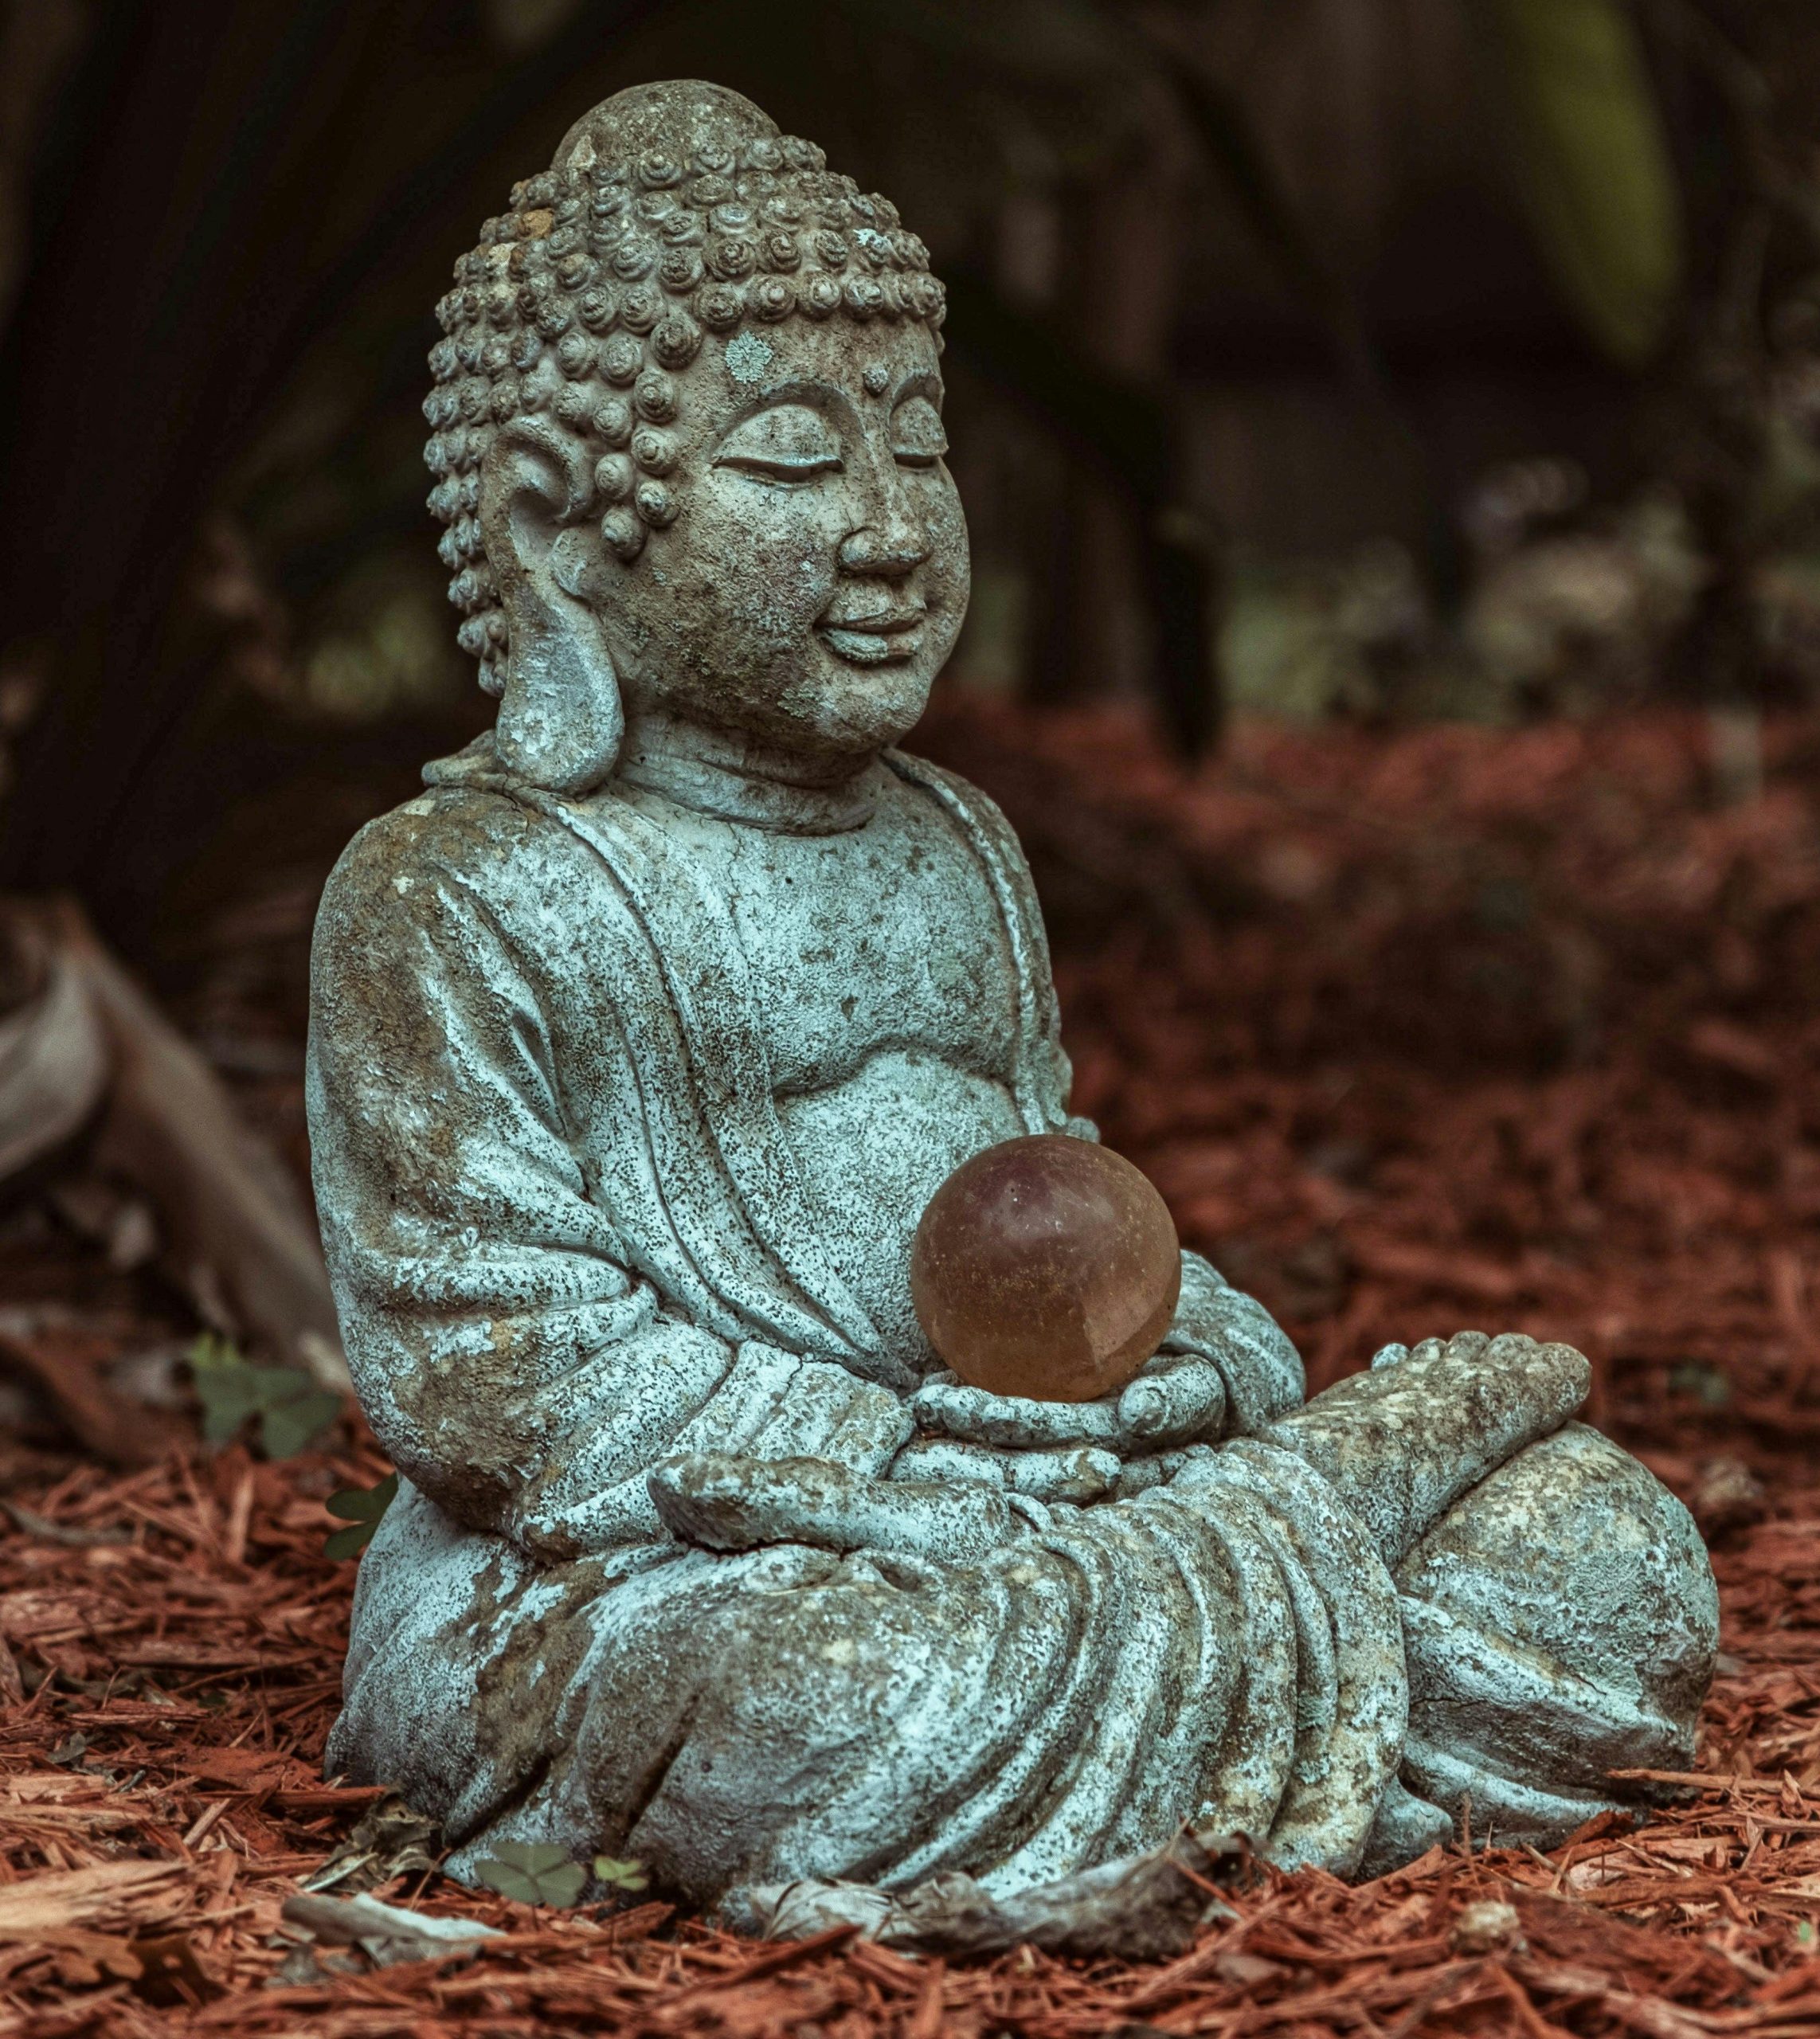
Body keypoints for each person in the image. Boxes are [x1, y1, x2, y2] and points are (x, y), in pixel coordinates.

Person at [307, 79, 1716, 1909]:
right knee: (824, 1696)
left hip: (1058, 1484)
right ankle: (1255, 1690)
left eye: (918, 442)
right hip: (691, 1553)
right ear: (567, 527)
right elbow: (493, 1368)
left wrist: (1186, 1353)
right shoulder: (456, 890)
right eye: (801, 458)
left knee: (1605, 1551)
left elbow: (1054, 1190)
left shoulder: (957, 846)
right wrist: (896, 1464)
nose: (893, 528)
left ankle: (1183, 1689)